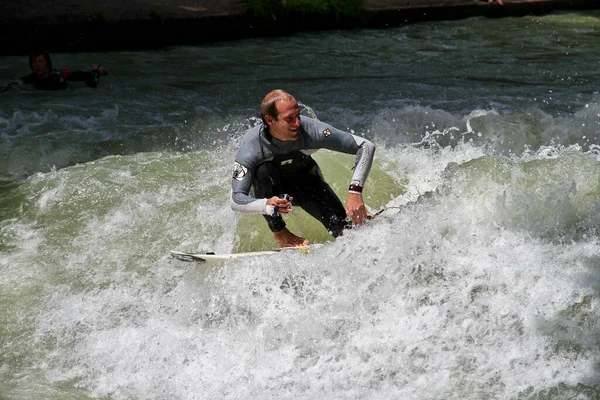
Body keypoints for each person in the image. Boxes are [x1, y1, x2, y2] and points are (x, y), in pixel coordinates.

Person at [230, 89, 376, 248]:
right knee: (263, 172)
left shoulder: (311, 130)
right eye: (289, 119)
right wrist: (266, 204)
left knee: (347, 233)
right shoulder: (252, 145)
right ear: (270, 120)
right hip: (271, 190)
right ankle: (281, 234)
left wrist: (355, 192)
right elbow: (236, 200)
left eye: (297, 115)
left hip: (306, 183)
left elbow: (365, 146)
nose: (297, 123)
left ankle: (359, 219)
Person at [17, 50, 109, 90]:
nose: (37, 65)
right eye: (34, 62)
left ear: (47, 64)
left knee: (92, 78)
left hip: (66, 78)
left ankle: (98, 70)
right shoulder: (30, 79)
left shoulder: (58, 76)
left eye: (41, 61)